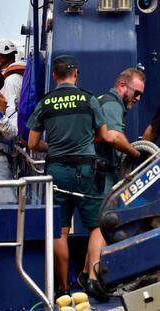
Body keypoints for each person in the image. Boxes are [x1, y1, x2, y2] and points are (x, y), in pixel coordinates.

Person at [27, 55, 111, 302]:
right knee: (97, 225)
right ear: (76, 73)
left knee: (60, 230)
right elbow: (104, 135)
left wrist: (52, 147)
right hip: (86, 170)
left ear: (55, 75)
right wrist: (84, 143)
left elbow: (32, 142)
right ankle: (93, 279)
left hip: (57, 171)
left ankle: (63, 289)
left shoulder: (45, 103)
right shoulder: (88, 99)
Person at [76, 68, 145, 298]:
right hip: (98, 172)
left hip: (95, 171)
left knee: (99, 224)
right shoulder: (112, 103)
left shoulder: (104, 101)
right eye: (136, 93)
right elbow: (114, 137)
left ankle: (86, 275)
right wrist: (137, 156)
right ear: (122, 86)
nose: (137, 99)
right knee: (101, 225)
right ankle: (94, 280)